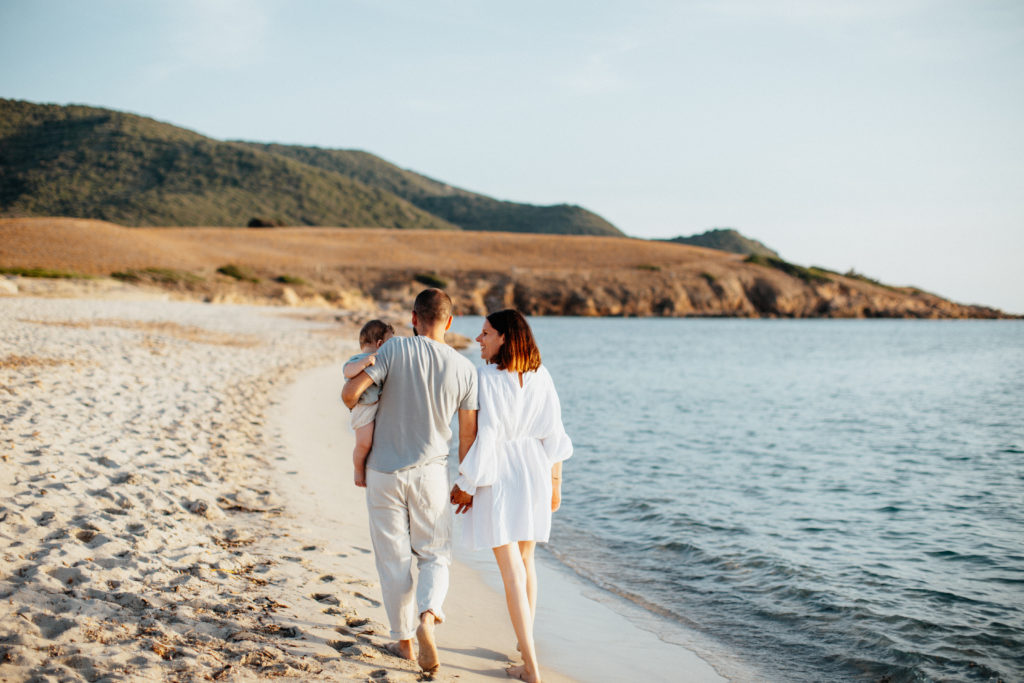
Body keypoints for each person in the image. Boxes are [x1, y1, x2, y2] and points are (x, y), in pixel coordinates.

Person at [341, 289, 478, 674]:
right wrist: (466, 483)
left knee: (393, 558)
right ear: (450, 322)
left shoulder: (394, 349)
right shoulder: (465, 369)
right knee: (434, 555)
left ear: (414, 318)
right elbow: (468, 436)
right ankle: (428, 618)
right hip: (432, 475)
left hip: (383, 471)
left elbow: (351, 394)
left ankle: (404, 642)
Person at [450, 309, 572, 683]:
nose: (478, 339)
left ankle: (530, 666)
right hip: (534, 469)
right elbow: (555, 435)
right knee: (526, 561)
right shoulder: (542, 375)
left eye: (485, 333)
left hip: (500, 472)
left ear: (504, 337)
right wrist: (555, 484)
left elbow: (484, 439)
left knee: (511, 571)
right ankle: (525, 644)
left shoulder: (483, 377)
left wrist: (467, 484)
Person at [342, 319, 395, 488]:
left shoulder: (380, 360)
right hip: (363, 408)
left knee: (371, 441)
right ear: (380, 344)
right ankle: (358, 470)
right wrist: (364, 363)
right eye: (390, 344)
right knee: (364, 443)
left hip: (374, 407)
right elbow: (348, 371)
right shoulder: (359, 358)